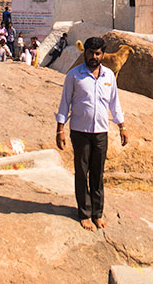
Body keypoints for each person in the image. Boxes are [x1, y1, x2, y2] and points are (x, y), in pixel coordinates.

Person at [55, 37, 128, 231]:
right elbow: (65, 103)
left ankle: (97, 213)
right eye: (90, 53)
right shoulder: (74, 75)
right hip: (80, 131)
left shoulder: (109, 76)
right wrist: (60, 129)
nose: (93, 57)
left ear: (103, 55)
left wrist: (122, 126)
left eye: (97, 54)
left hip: (101, 132)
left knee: (98, 174)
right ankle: (84, 213)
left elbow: (114, 102)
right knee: (81, 173)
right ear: (84, 53)